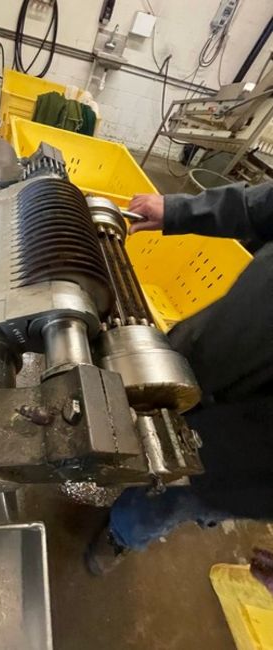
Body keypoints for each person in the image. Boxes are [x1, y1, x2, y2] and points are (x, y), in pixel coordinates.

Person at [88, 181, 273, 574]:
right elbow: (264, 205)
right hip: (212, 344)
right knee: (131, 408)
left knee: (171, 493)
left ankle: (121, 534)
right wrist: (179, 211)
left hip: (253, 455)